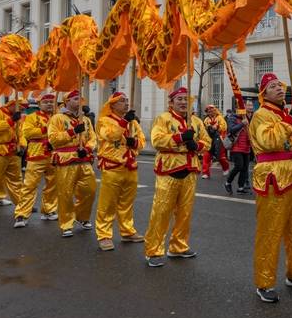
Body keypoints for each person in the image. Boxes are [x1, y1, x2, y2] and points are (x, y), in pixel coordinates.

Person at [249, 73, 292, 303]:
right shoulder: (260, 115)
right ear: (263, 93)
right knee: (270, 233)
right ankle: (264, 282)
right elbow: (269, 141)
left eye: (280, 85)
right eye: (272, 86)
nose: (278, 88)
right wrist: (290, 122)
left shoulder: (290, 114)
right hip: (273, 180)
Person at [146, 87, 211, 266]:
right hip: (169, 170)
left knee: (185, 213)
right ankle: (153, 250)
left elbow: (207, 142)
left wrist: (196, 145)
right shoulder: (163, 119)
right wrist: (180, 137)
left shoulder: (196, 121)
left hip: (190, 170)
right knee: (161, 212)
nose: (183, 102)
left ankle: (178, 246)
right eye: (179, 99)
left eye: (186, 99)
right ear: (171, 102)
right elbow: (157, 140)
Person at [91, 92, 146, 251]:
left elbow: (142, 141)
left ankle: (127, 231)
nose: (126, 103)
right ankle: (104, 235)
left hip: (130, 166)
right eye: (122, 101)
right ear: (113, 104)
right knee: (107, 204)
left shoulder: (133, 123)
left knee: (127, 202)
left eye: (127, 100)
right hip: (112, 166)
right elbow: (112, 136)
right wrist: (124, 122)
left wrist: (134, 142)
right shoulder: (104, 121)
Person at [47, 90, 97, 238]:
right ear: (67, 101)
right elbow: (53, 139)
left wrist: (88, 148)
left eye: (80, 99)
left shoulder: (86, 120)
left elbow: (93, 137)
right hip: (65, 160)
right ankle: (66, 224)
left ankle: (82, 217)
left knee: (90, 190)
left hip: (84, 159)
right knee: (65, 193)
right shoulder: (57, 118)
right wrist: (72, 131)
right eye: (75, 99)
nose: (79, 101)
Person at [16, 92, 58, 224]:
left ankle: (49, 210)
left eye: (52, 102)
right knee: (29, 185)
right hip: (36, 154)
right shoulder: (31, 117)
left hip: (54, 155)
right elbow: (27, 133)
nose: (49, 104)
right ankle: (22, 214)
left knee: (53, 185)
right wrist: (48, 129)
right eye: (46, 102)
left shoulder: (58, 117)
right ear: (39, 105)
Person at [225, 107, 252, 194]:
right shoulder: (233, 118)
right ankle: (228, 182)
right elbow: (231, 130)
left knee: (245, 168)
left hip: (246, 147)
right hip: (236, 147)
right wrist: (242, 124)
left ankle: (240, 187)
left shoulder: (249, 119)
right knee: (239, 166)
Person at [200, 104, 230, 179]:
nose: (210, 112)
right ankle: (205, 173)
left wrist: (217, 127)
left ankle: (225, 168)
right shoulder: (206, 120)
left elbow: (224, 128)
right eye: (208, 111)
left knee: (220, 156)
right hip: (209, 140)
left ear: (215, 110)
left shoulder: (220, 118)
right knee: (206, 156)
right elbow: (204, 129)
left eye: (212, 110)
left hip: (219, 139)